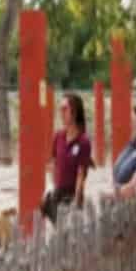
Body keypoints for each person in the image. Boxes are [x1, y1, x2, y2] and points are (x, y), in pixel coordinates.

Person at [40, 92, 92, 224]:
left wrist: (76, 200)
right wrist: (51, 188)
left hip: (71, 196)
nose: (61, 113)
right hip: (57, 194)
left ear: (74, 112)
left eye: (65, 109)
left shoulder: (83, 141)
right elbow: (52, 163)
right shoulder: (58, 136)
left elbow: (81, 174)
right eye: (60, 109)